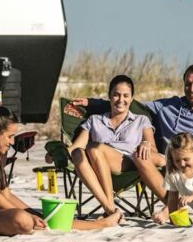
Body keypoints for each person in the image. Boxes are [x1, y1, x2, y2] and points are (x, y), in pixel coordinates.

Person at [0, 106, 122, 236]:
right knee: (24, 220)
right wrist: (26, 215)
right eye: (10, 136)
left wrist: (33, 213)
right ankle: (102, 224)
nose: (12, 142)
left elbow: (5, 194)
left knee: (43, 219)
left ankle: (101, 224)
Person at [68, 63, 193, 156]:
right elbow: (131, 105)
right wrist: (93, 103)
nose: (191, 89)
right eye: (188, 84)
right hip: (170, 163)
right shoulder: (168, 106)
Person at [67, 75, 166, 217]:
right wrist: (59, 152)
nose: (121, 100)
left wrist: (146, 143)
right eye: (116, 95)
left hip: (129, 163)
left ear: (132, 98)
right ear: (109, 97)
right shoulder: (94, 120)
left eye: (126, 96)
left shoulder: (141, 120)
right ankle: (110, 208)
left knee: (94, 147)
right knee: (77, 153)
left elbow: (153, 150)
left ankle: (109, 206)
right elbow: (77, 146)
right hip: (97, 164)